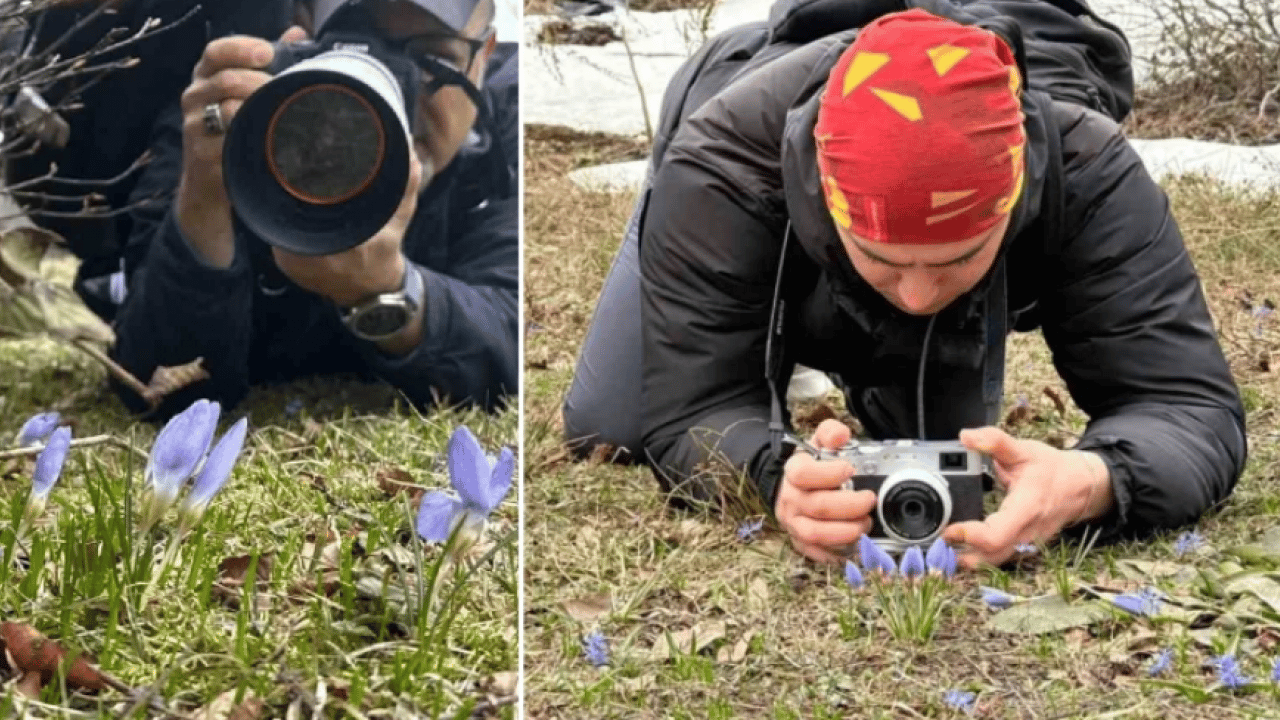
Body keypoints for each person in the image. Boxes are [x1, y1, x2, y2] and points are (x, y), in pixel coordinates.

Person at [562, 0, 1247, 569]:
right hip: (728, 160)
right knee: (613, 426)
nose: (919, 296)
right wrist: (773, 479)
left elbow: (1188, 407)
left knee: (940, 457)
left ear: (1014, 201)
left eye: (959, 257)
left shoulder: (1090, 168)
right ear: (823, 200)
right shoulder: (723, 167)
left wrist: (1095, 481)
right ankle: (782, 333)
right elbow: (691, 408)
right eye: (882, 259)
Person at [106, 0, 519, 418]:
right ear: (302, 35)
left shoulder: (507, 128)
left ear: (484, 56)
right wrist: (203, 208)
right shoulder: (235, 115)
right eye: (363, 48)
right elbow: (156, 381)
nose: (398, 85)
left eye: (433, 58)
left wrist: (387, 291)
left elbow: (514, 330)